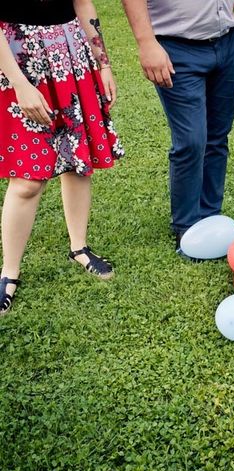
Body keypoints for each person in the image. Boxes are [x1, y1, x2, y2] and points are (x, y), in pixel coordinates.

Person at [121, 0, 234, 259]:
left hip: (228, 42)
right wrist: (146, 42)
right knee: (191, 140)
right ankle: (187, 227)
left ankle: (211, 217)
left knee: (217, 136)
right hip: (176, 46)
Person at [0, 0, 123, 315]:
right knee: (27, 181)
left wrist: (103, 63)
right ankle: (9, 271)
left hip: (69, 52)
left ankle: (78, 247)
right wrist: (19, 83)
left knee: (76, 160)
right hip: (17, 57)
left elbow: (82, 3)